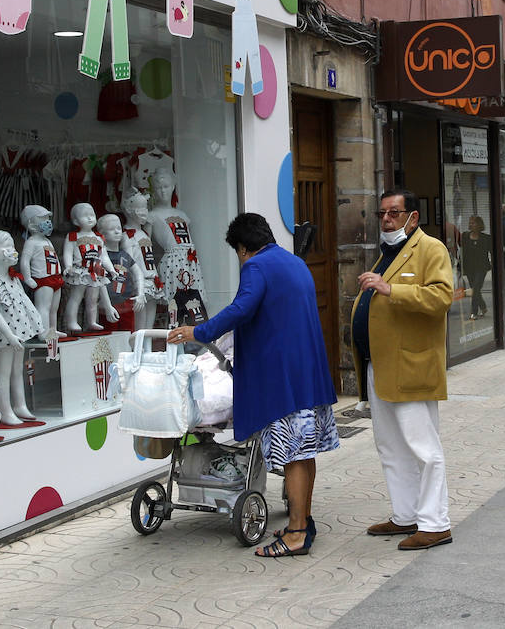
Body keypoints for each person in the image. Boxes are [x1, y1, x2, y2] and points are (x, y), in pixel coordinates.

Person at [168, 213, 338, 558]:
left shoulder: (257, 267)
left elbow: (241, 309)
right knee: (304, 453)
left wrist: (198, 332)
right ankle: (301, 520)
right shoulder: (293, 262)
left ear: (243, 249)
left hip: (283, 379)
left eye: (238, 253)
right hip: (308, 373)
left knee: (293, 456)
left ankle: (297, 533)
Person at [353, 189, 455, 551]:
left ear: (413, 217)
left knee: (423, 448)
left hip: (411, 365)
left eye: (394, 213)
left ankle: (435, 523)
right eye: (381, 214)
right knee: (391, 446)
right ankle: (405, 514)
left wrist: (390, 289)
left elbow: (441, 297)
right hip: (380, 366)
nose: (386, 220)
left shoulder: (431, 248)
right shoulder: (387, 253)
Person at [459, 215, 492, 321]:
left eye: (473, 222)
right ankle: (483, 307)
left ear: (479, 224)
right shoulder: (465, 236)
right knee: (475, 289)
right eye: (470, 222)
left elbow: (492, 252)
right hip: (469, 268)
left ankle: (474, 312)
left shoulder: (486, 238)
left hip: (481, 268)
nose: (471, 224)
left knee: (476, 288)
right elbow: (462, 252)